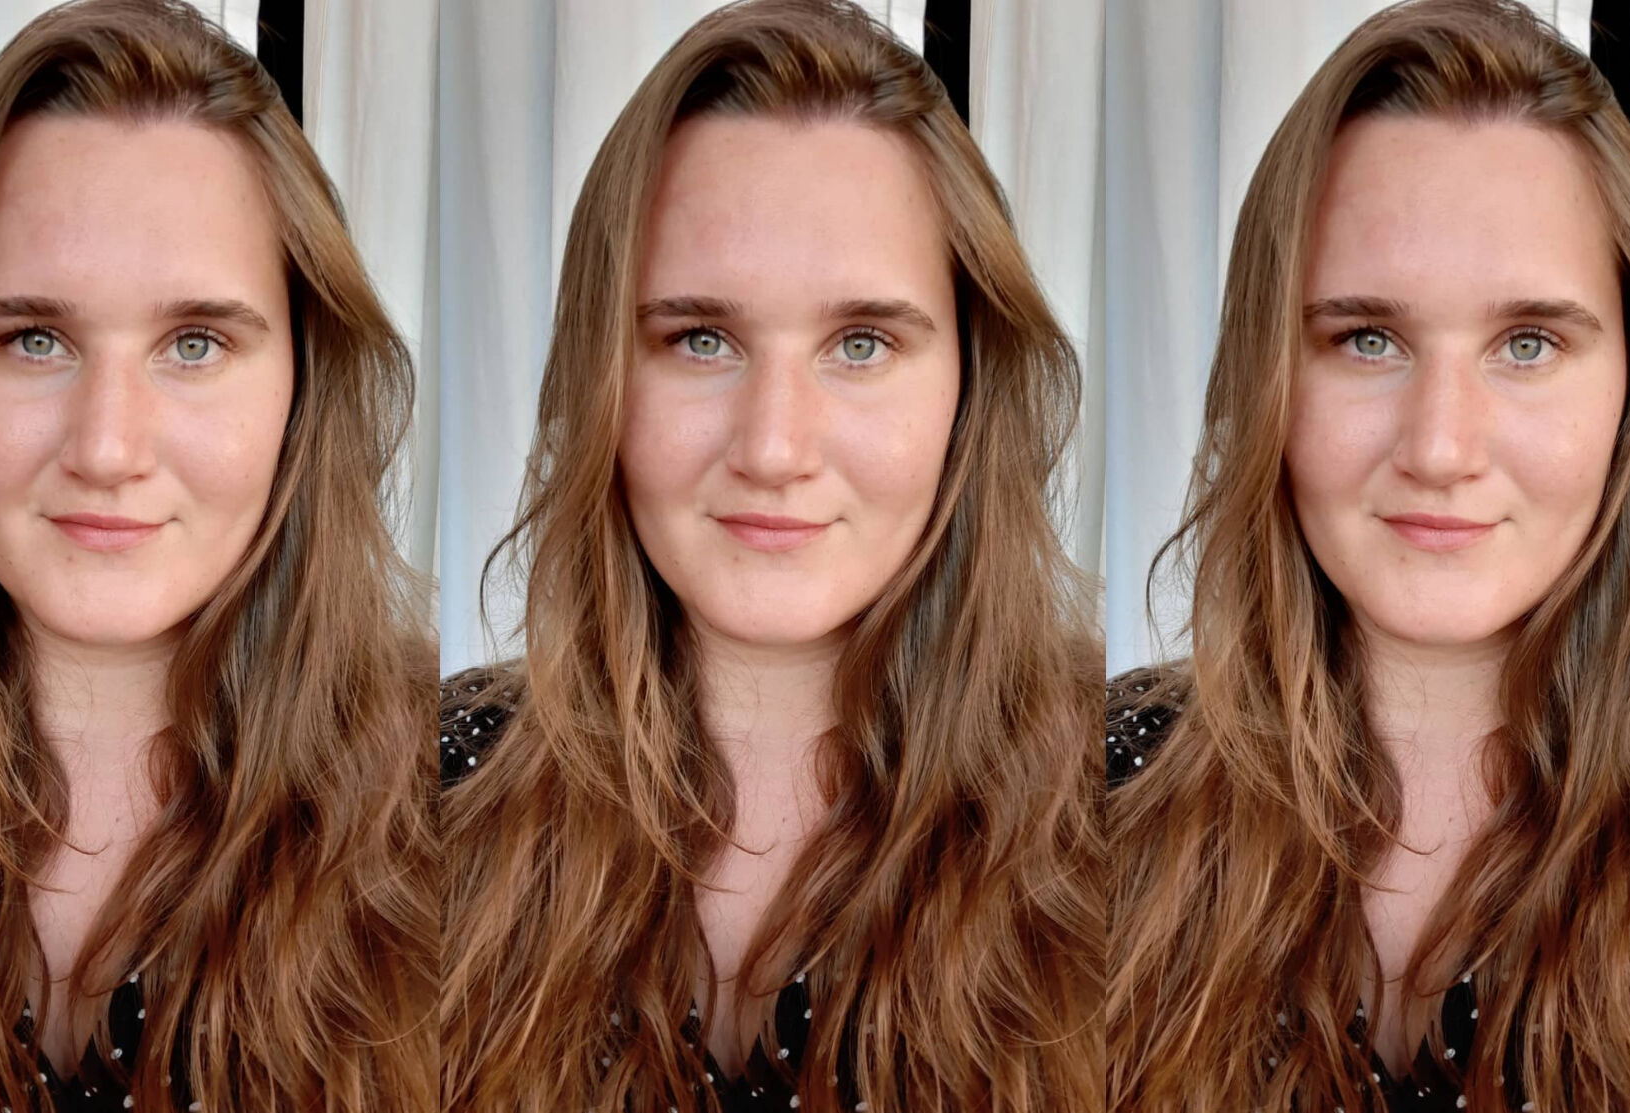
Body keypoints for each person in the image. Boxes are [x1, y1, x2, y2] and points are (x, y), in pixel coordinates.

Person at [420, 1, 1116, 1109]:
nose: (775, 447)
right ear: (601, 376)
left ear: (970, 383)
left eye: (860, 344)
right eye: (701, 339)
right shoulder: (424, 793)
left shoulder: (1133, 810)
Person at [0, 1, 461, 1108]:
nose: (106, 448)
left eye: (194, 344)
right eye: (34, 339)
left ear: (304, 382)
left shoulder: (464, 802)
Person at [1094, 0, 1630, 1109]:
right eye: (1367, 339)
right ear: (1267, 377)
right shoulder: (1089, 789)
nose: (1441, 448)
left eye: (1526, 344)